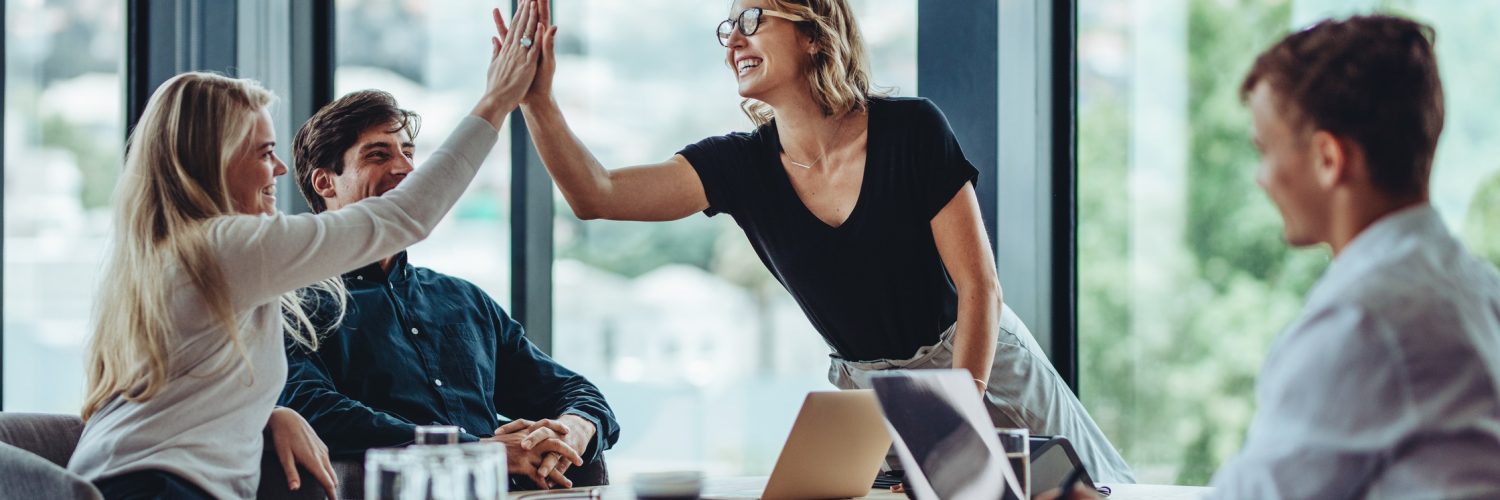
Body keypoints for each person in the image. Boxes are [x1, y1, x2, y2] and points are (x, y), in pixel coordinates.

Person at [511, 0, 1134, 482]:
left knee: (1093, 493)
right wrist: (537, 101)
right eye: (727, 26)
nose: (733, 39)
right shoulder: (738, 169)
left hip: (981, 366)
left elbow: (980, 288)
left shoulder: (912, 129)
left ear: (814, 33)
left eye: (753, 19)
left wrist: (952, 418)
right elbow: (596, 194)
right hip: (869, 398)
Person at [66, 3, 547, 498]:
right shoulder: (222, 247)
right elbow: (404, 217)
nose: (278, 170)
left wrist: (272, 413)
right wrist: (495, 101)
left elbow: (184, 393)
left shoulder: (170, 255)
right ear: (212, 162)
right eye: (262, 152)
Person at [1205, 14, 1500, 497]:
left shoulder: (1365, 320)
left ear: (1328, 159)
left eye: (1265, 150)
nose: (1261, 177)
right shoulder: (1477, 287)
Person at [279, 89, 619, 491]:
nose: (405, 168)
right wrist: (474, 450)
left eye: (408, 152)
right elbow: (313, 409)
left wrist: (572, 430)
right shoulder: (293, 304)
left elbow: (574, 391)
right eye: (378, 154)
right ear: (325, 182)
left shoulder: (463, 299)